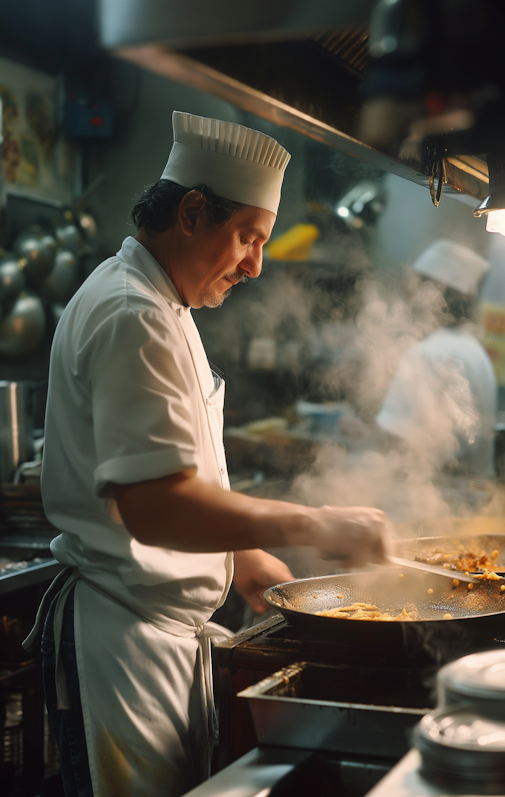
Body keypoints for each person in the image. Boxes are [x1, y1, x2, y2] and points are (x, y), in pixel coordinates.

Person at [25, 112, 391, 797]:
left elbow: (177, 468)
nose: (256, 265)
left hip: (157, 637)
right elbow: (156, 506)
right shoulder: (131, 312)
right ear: (193, 211)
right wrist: (313, 523)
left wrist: (243, 558)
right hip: (124, 647)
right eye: (248, 238)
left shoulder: (166, 307)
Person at [376, 239, 497, 476]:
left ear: (434, 294)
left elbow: (398, 443)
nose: (411, 297)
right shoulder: (475, 351)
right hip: (476, 495)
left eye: (418, 286)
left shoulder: (427, 354)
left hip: (436, 496)